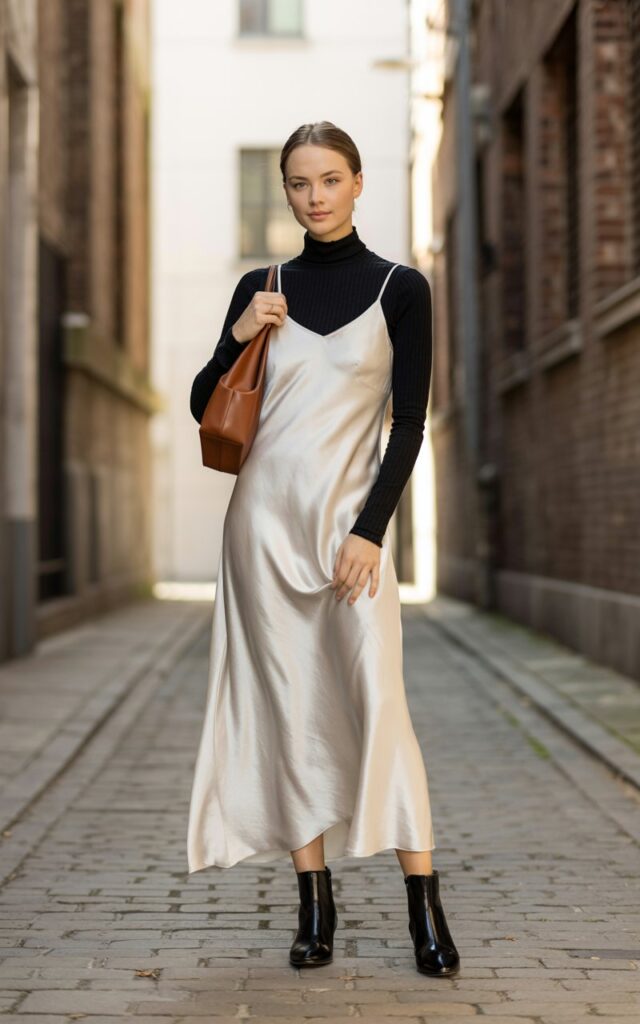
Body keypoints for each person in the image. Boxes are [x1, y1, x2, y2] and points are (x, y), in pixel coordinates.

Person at [187, 121, 459, 977]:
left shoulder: (401, 289)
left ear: (358, 182)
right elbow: (208, 406)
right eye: (300, 183)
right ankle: (314, 903)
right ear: (288, 191)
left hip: (350, 534)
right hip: (261, 531)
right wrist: (239, 334)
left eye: (330, 179)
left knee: (381, 704)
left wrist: (371, 531)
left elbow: (407, 427)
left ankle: (424, 904)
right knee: (290, 712)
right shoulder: (262, 286)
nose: (315, 195)